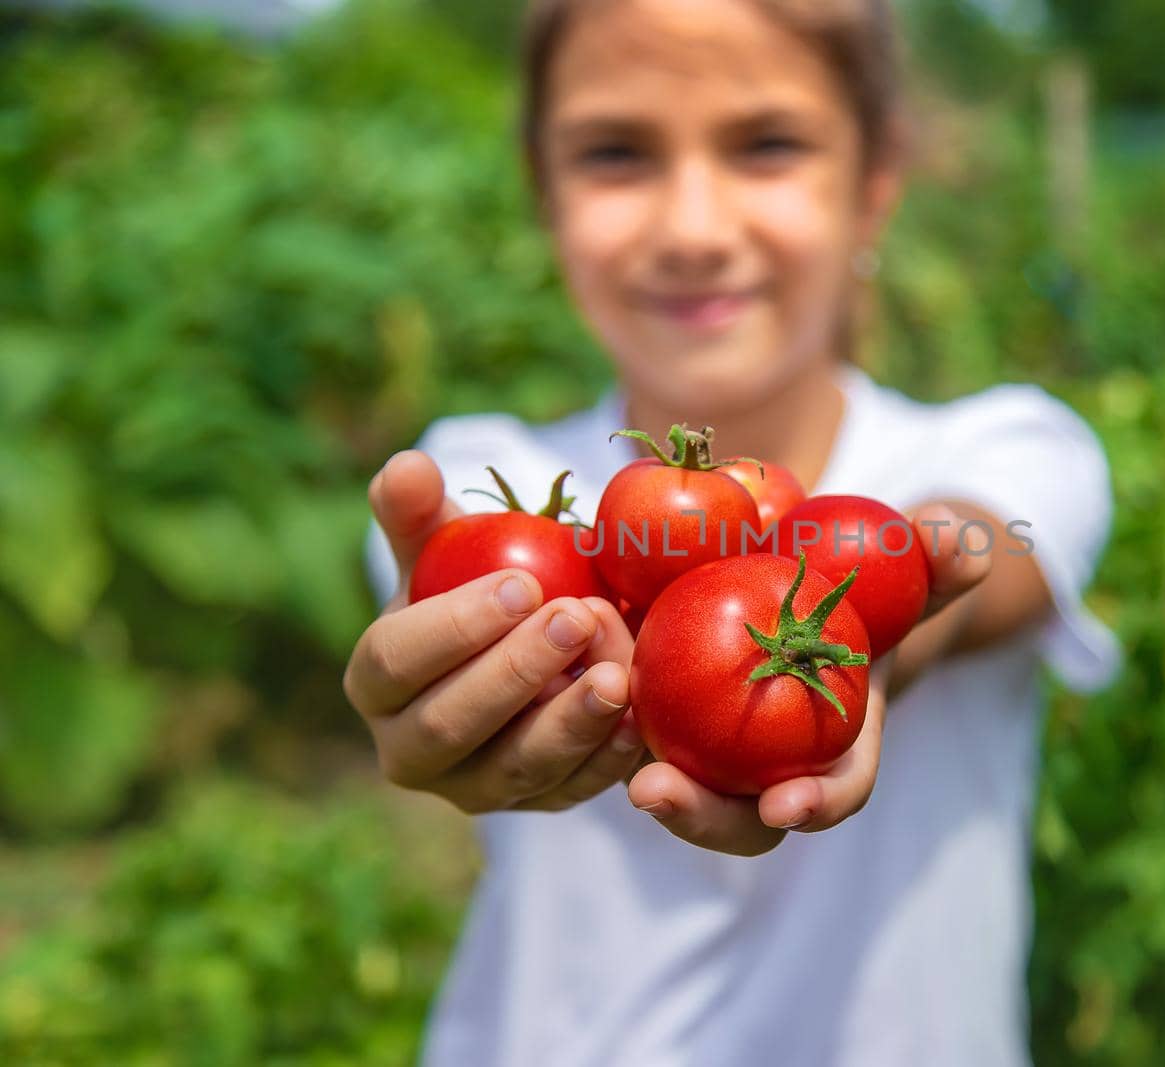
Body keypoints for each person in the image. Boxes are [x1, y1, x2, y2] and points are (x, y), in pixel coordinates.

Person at [345, 1, 1120, 1063]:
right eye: (616, 153)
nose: (694, 228)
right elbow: (428, 606)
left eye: (767, 145)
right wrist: (428, 701)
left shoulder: (1013, 447)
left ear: (876, 177)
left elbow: (979, 548)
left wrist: (894, 610)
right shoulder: (498, 486)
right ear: (542, 187)